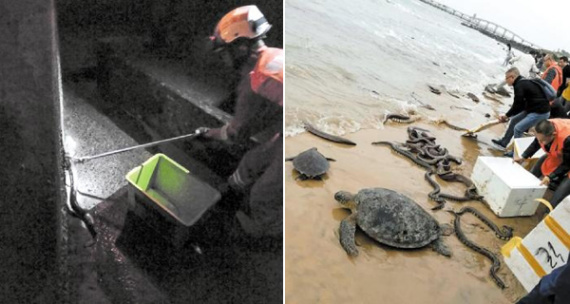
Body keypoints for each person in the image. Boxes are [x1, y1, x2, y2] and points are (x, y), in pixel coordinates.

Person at [197, 5, 283, 238]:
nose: (223, 60)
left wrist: (209, 133)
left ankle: (269, 236)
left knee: (263, 196)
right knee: (252, 161)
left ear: (241, 47)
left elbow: (236, 133)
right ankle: (233, 194)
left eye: (224, 53)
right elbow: (268, 117)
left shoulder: (256, 78)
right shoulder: (275, 57)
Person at [514, 119, 570, 208]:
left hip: (568, 158)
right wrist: (523, 156)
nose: (541, 143)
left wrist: (550, 176)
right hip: (563, 153)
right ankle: (522, 198)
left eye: (543, 141)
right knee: (533, 173)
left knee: (560, 193)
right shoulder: (543, 127)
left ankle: (549, 212)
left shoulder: (567, 138)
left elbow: (567, 164)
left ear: (553, 135)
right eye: (540, 139)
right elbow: (536, 143)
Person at [492, 67, 550, 150]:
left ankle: (516, 152)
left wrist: (506, 115)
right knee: (514, 120)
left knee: (518, 128)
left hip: (540, 112)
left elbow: (517, 104)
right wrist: (509, 116)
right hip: (532, 108)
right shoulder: (522, 81)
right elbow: (521, 105)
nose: (505, 80)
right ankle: (504, 142)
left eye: (506, 78)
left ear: (512, 77)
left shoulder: (519, 85)